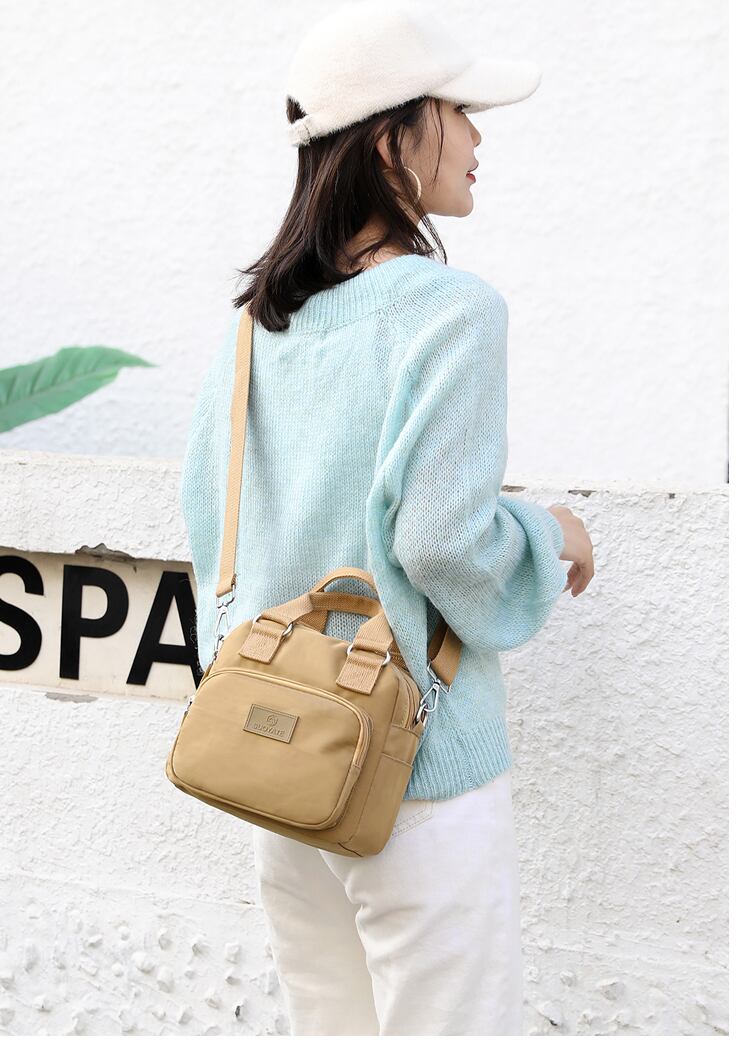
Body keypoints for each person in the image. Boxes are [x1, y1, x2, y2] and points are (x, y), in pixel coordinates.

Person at [180, 0, 594, 1037]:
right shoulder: (451, 312)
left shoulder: (255, 329)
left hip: (277, 762)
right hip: (416, 770)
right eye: (458, 110)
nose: (478, 136)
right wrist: (551, 537)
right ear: (389, 139)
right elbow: (441, 539)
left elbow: (210, 525)